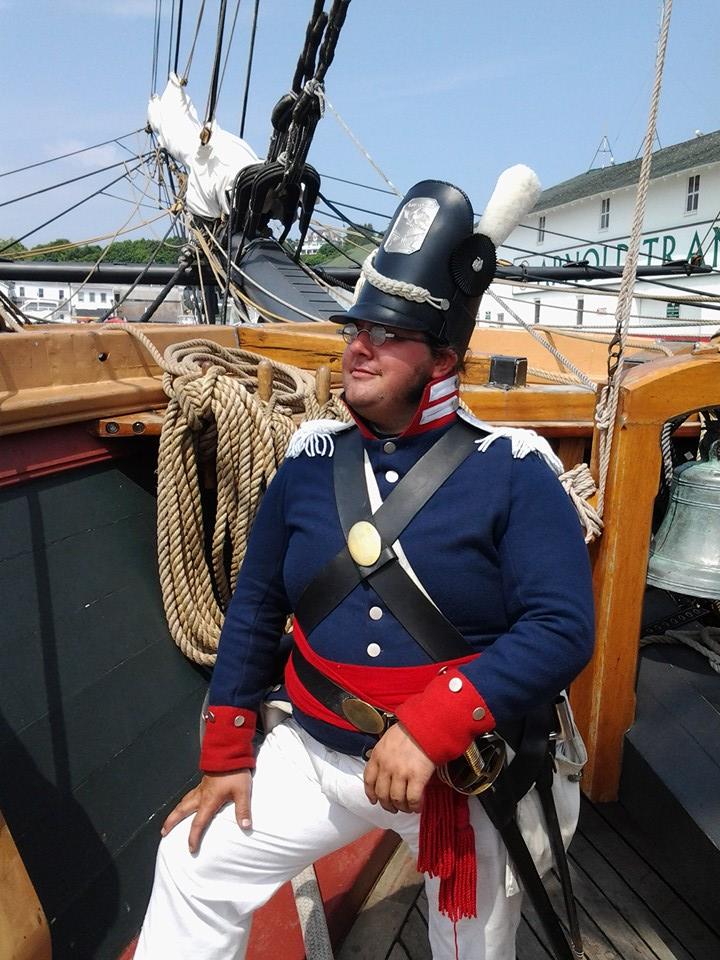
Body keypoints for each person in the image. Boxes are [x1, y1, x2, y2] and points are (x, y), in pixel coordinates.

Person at [134, 179, 594, 960]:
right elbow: (256, 606)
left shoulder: (515, 471)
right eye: (357, 327)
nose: (359, 345)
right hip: (313, 754)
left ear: (442, 358)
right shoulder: (309, 463)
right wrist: (226, 753)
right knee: (192, 865)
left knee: (470, 949)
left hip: (456, 777)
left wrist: (432, 724)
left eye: (389, 333)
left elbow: (561, 629)